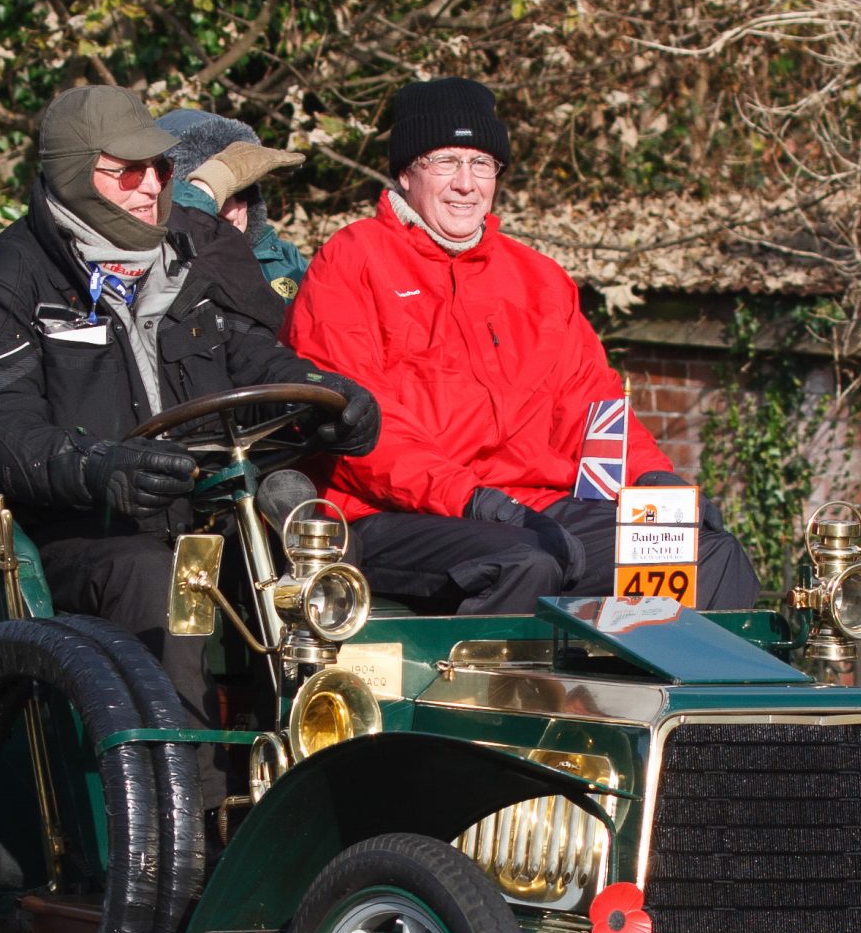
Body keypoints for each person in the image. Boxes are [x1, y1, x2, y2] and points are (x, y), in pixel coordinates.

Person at [0, 86, 380, 721]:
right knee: (155, 577)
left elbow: (256, 359)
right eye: (128, 171)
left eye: (162, 168)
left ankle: (310, 764)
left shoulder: (191, 250)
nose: (151, 186)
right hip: (83, 532)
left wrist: (329, 398)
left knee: (315, 546)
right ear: (72, 171)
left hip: (203, 509)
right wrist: (101, 470)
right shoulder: (3, 279)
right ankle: (185, 803)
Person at [284, 76, 761, 614]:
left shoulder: (539, 278)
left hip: (532, 508)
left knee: (709, 553)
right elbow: (357, 426)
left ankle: (663, 695)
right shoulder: (352, 262)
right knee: (526, 561)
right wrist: (469, 497)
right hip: (394, 513)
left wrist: (655, 482)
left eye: (481, 164)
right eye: (446, 161)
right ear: (406, 172)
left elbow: (593, 407)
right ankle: (482, 697)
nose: (466, 183)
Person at [155, 109, 311, 302]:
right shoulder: (148, 265)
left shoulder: (285, 262)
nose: (231, 212)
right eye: (213, 197)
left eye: (242, 193)